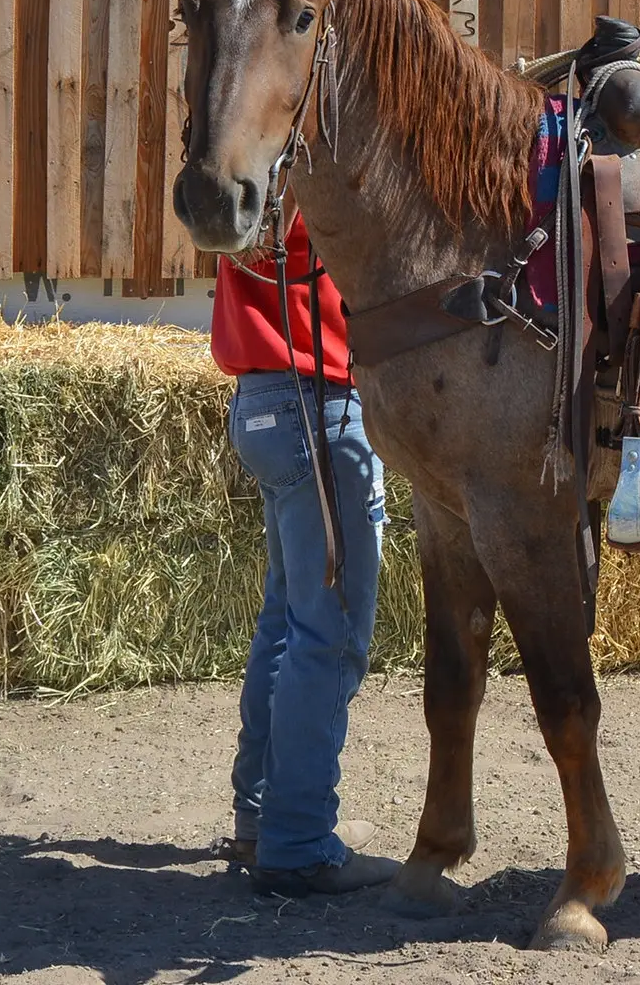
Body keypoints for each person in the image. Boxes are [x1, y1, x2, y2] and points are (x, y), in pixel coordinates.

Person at [210, 207, 397, 897]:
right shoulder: (313, 177)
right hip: (320, 404)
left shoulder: (248, 178)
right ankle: (297, 841)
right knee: (331, 634)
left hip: (262, 401)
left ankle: (262, 819)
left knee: (287, 622)